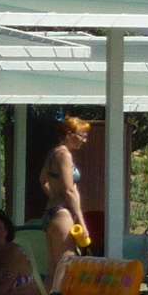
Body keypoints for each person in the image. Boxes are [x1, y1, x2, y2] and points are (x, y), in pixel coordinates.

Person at [41, 116, 92, 280]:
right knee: (67, 266)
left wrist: (54, 196)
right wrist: (81, 222)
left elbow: (43, 180)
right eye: (82, 135)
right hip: (62, 215)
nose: (84, 140)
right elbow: (70, 190)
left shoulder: (53, 153)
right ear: (69, 134)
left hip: (50, 212)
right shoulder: (64, 155)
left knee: (54, 268)